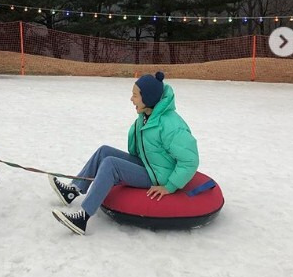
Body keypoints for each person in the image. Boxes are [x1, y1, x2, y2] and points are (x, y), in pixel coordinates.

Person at [50, 71, 199, 235]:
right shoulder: (147, 116)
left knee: (111, 165)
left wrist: (169, 186)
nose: (131, 99)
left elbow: (190, 160)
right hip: (148, 164)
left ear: (148, 99)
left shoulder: (171, 125)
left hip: (160, 175)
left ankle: (82, 218)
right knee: (104, 152)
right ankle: (73, 191)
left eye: (135, 95)